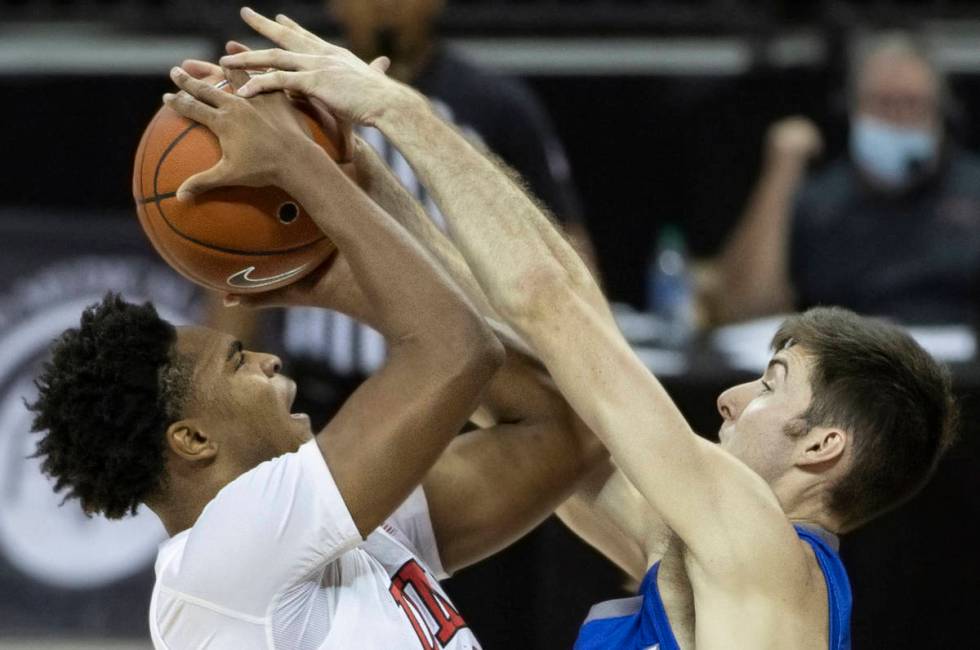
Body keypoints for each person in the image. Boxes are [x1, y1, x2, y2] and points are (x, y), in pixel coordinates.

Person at [221, 10, 959, 647]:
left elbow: (552, 300)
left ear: (826, 446)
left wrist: (400, 109)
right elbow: (541, 413)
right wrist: (365, 182)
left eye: (772, 384)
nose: (730, 399)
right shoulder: (712, 558)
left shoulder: (766, 551)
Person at [29, 63, 606, 648]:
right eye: (237, 363)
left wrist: (342, 267)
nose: (268, 361)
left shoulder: (317, 531)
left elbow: (565, 435)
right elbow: (457, 351)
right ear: (192, 439)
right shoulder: (220, 560)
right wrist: (299, 165)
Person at [210, 0, 591, 413]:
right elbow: (239, 258)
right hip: (321, 394)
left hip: (462, 397)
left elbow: (565, 252)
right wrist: (220, 395)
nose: (382, 4)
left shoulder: (496, 107)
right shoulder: (287, 97)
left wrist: (583, 375)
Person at [714, 32, 980, 326]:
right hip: (846, 363)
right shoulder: (819, 200)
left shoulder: (973, 189)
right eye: (883, 104)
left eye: (913, 103)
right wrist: (781, 171)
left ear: (941, 112)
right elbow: (744, 308)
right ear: (851, 110)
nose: (899, 117)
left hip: (960, 367)